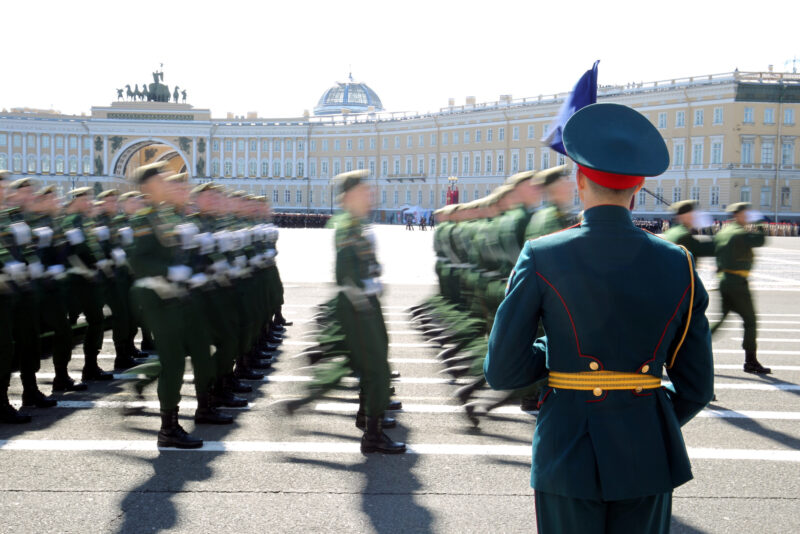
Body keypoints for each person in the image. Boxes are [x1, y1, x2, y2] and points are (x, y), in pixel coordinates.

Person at [484, 102, 714, 533]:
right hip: (647, 449)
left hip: (567, 444)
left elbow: (502, 370)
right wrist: (642, 416)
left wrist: (553, 351)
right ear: (639, 185)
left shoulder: (542, 254)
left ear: (579, 179)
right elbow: (697, 386)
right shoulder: (678, 262)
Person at [710, 202, 770, 374]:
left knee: (720, 320)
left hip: (724, 280)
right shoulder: (739, 233)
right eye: (747, 213)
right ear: (739, 215)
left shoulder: (724, 231)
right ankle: (750, 361)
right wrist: (759, 223)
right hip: (737, 283)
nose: (748, 216)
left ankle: (692, 344)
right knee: (750, 321)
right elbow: (760, 239)